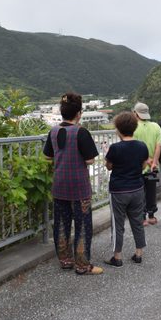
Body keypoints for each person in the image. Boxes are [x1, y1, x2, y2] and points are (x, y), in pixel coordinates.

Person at [43, 92, 103, 275]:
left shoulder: (53, 131)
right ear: (79, 113)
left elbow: (47, 156)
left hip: (59, 184)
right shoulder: (81, 132)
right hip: (79, 186)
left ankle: (65, 260)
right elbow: (91, 160)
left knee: (61, 223)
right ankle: (82, 265)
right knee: (83, 224)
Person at [104, 112, 149, 267]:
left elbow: (109, 166)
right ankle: (138, 253)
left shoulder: (115, 148)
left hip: (119, 190)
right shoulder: (141, 146)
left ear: (118, 129)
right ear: (134, 127)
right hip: (137, 188)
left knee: (118, 224)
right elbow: (144, 165)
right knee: (137, 221)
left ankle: (117, 256)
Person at [132, 102, 161, 226]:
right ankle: (151, 216)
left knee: (139, 193)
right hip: (152, 167)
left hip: (138, 166)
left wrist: (146, 160)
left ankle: (142, 218)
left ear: (135, 113)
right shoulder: (156, 126)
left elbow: (133, 147)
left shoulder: (133, 127)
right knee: (151, 191)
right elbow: (158, 146)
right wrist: (154, 162)